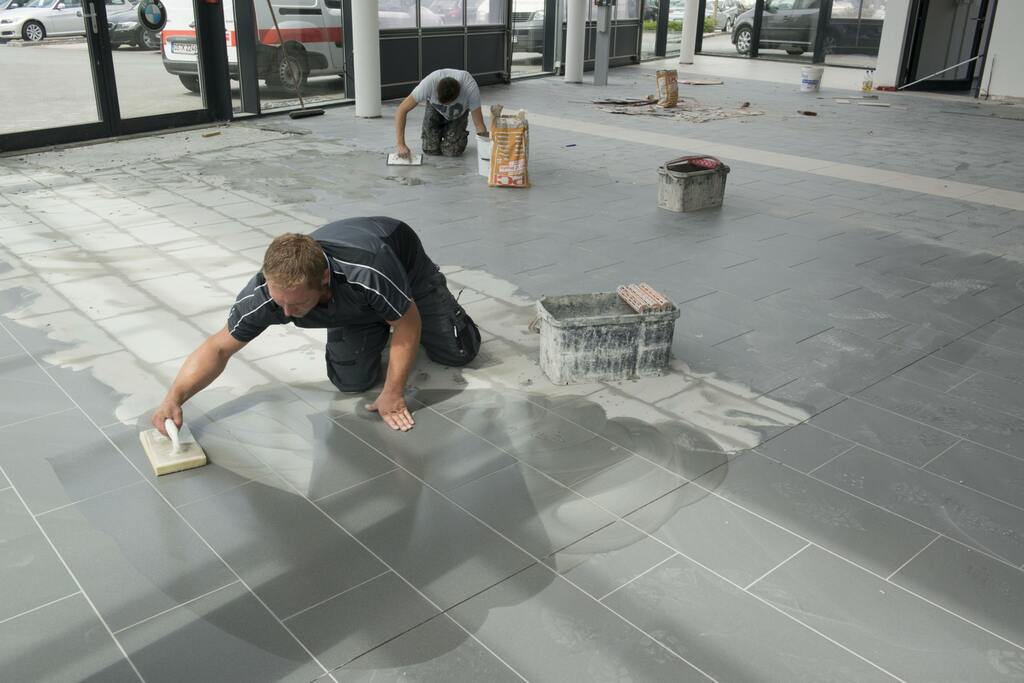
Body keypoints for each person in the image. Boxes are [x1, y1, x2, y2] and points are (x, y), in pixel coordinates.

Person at [151, 217, 481, 434]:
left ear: (324, 279)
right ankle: (377, 318)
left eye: (296, 304)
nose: (285, 312)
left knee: (459, 352)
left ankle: (434, 303)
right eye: (280, 301)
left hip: (403, 267)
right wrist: (174, 398)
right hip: (356, 302)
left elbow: (408, 325)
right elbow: (219, 348)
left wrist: (393, 393)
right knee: (351, 382)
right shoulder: (268, 294)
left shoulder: (367, 270)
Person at [394, 68, 488, 160]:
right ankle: (439, 134)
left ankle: (451, 134)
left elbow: (479, 124)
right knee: (430, 149)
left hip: (458, 114)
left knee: (452, 151)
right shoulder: (429, 84)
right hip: (435, 110)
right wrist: (400, 144)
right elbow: (401, 110)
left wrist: (486, 152)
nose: (446, 106)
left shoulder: (470, 87)